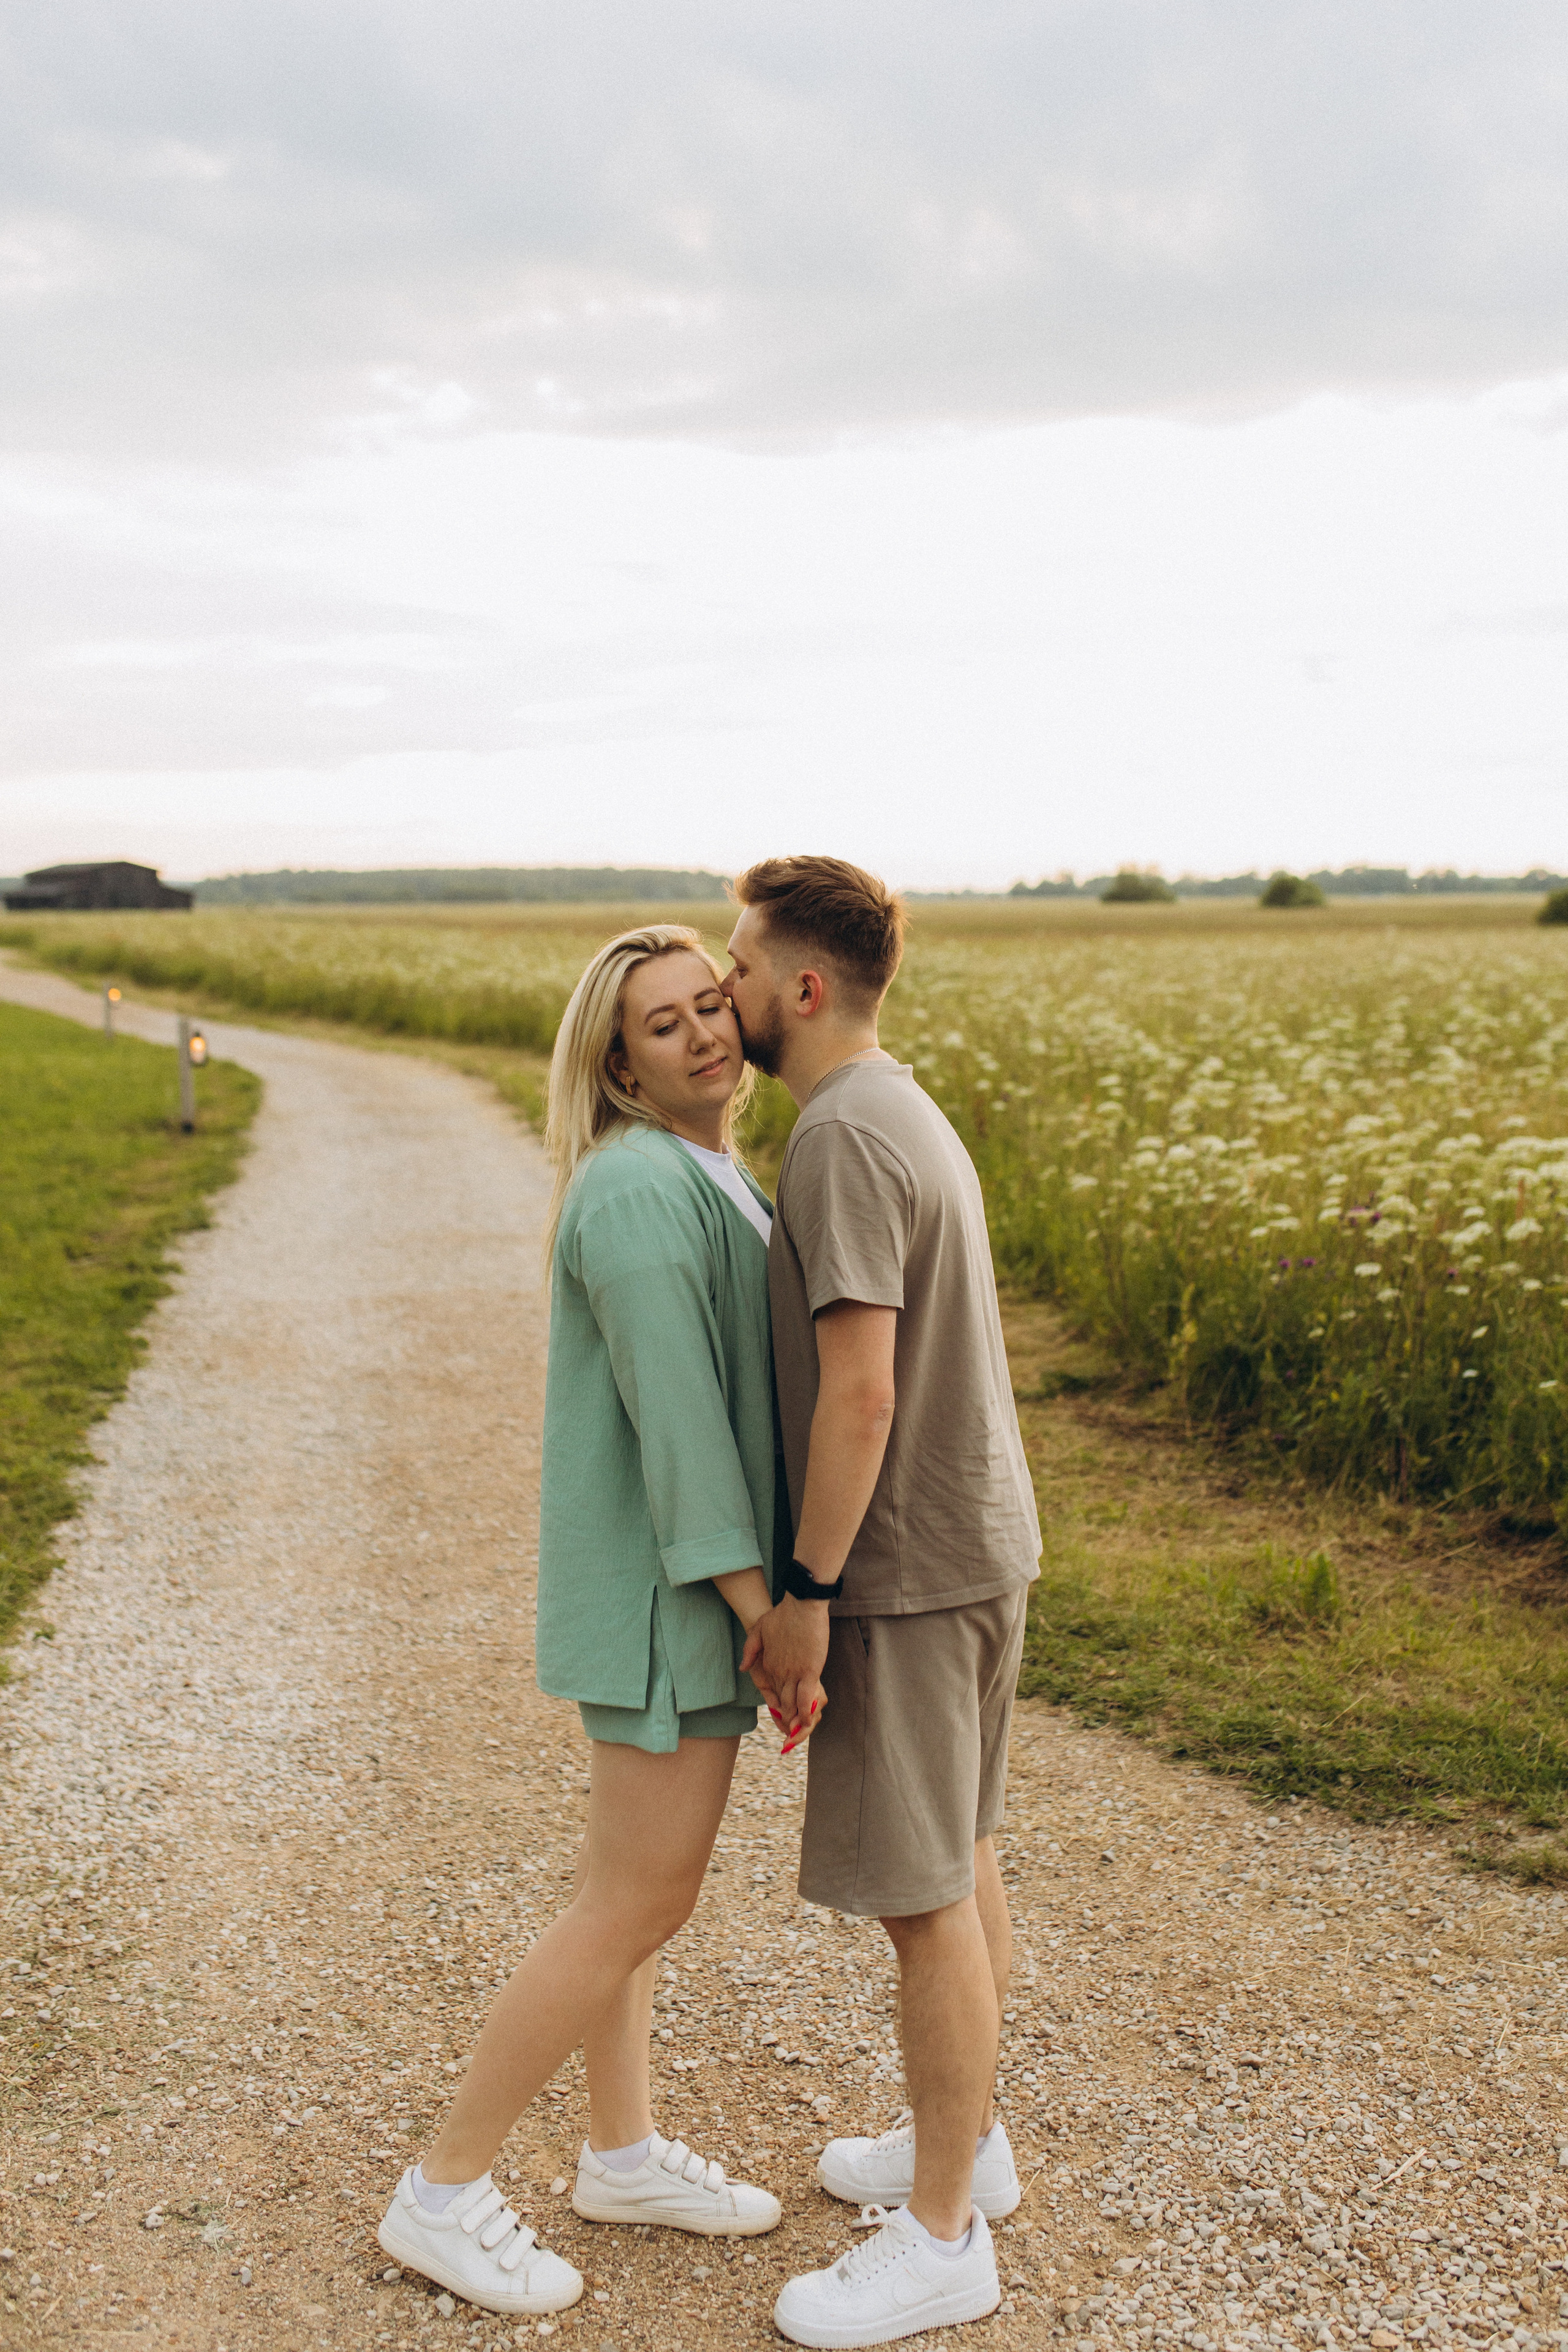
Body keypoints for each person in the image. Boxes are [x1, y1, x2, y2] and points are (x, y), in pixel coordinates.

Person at [379, 924, 800, 2319]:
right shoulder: (631, 1192)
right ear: (615, 1061)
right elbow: (677, 1429)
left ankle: (618, 2154)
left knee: (627, 1903)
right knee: (636, 1900)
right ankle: (440, 2192)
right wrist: (762, 1609)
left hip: (684, 1589)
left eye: (707, 1006)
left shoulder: (714, 1170)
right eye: (661, 1024)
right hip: (665, 1601)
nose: (700, 1035)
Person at [723, 856, 1042, 2349]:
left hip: (905, 1569)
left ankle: (938, 2240)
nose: (722, 993)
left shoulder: (841, 1139)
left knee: (922, 1902)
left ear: (801, 985)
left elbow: (860, 1395)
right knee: (961, 1857)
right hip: (978, 1541)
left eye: (736, 967)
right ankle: (960, 2149)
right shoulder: (895, 1102)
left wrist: (806, 1595)